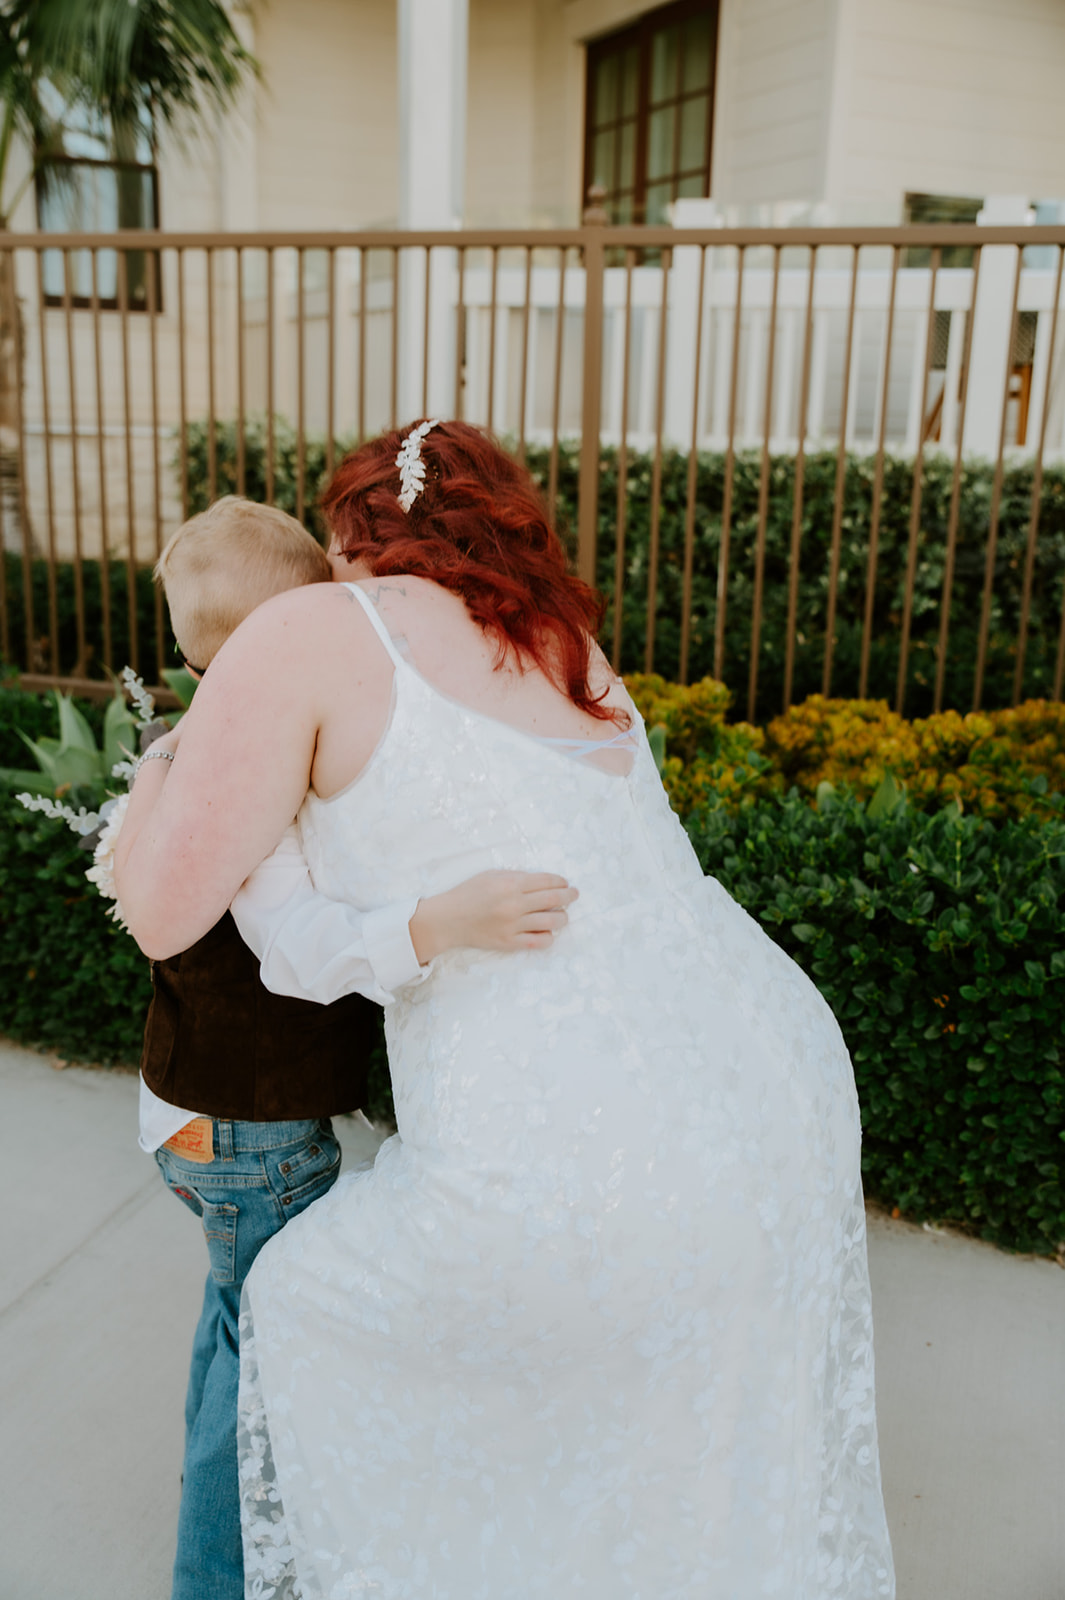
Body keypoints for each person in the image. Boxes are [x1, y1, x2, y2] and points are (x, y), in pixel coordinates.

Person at [115, 422, 895, 1599]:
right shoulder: (563, 644)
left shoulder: (312, 627)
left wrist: (161, 767)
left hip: (571, 1156)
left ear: (353, 538)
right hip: (776, 1100)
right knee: (638, 1411)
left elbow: (164, 911)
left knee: (292, 1301)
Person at [135, 493, 577, 1600]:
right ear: (272, 648)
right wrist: (443, 921)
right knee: (264, 1362)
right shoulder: (257, 783)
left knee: (233, 1323)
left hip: (191, 1115)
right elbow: (300, 943)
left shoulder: (180, 743)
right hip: (254, 1127)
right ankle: (215, 1577)